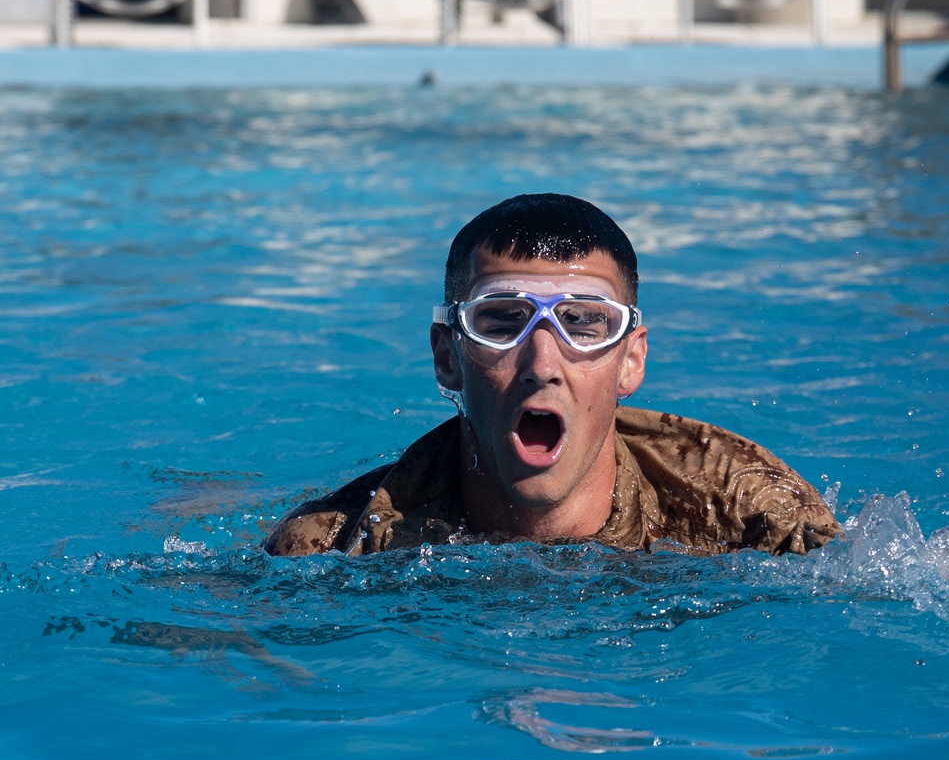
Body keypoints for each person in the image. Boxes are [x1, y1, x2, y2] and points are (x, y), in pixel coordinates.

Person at [264, 193, 839, 558]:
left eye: (585, 323)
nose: (542, 365)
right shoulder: (335, 546)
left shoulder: (748, 516)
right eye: (502, 321)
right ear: (447, 356)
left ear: (631, 359)